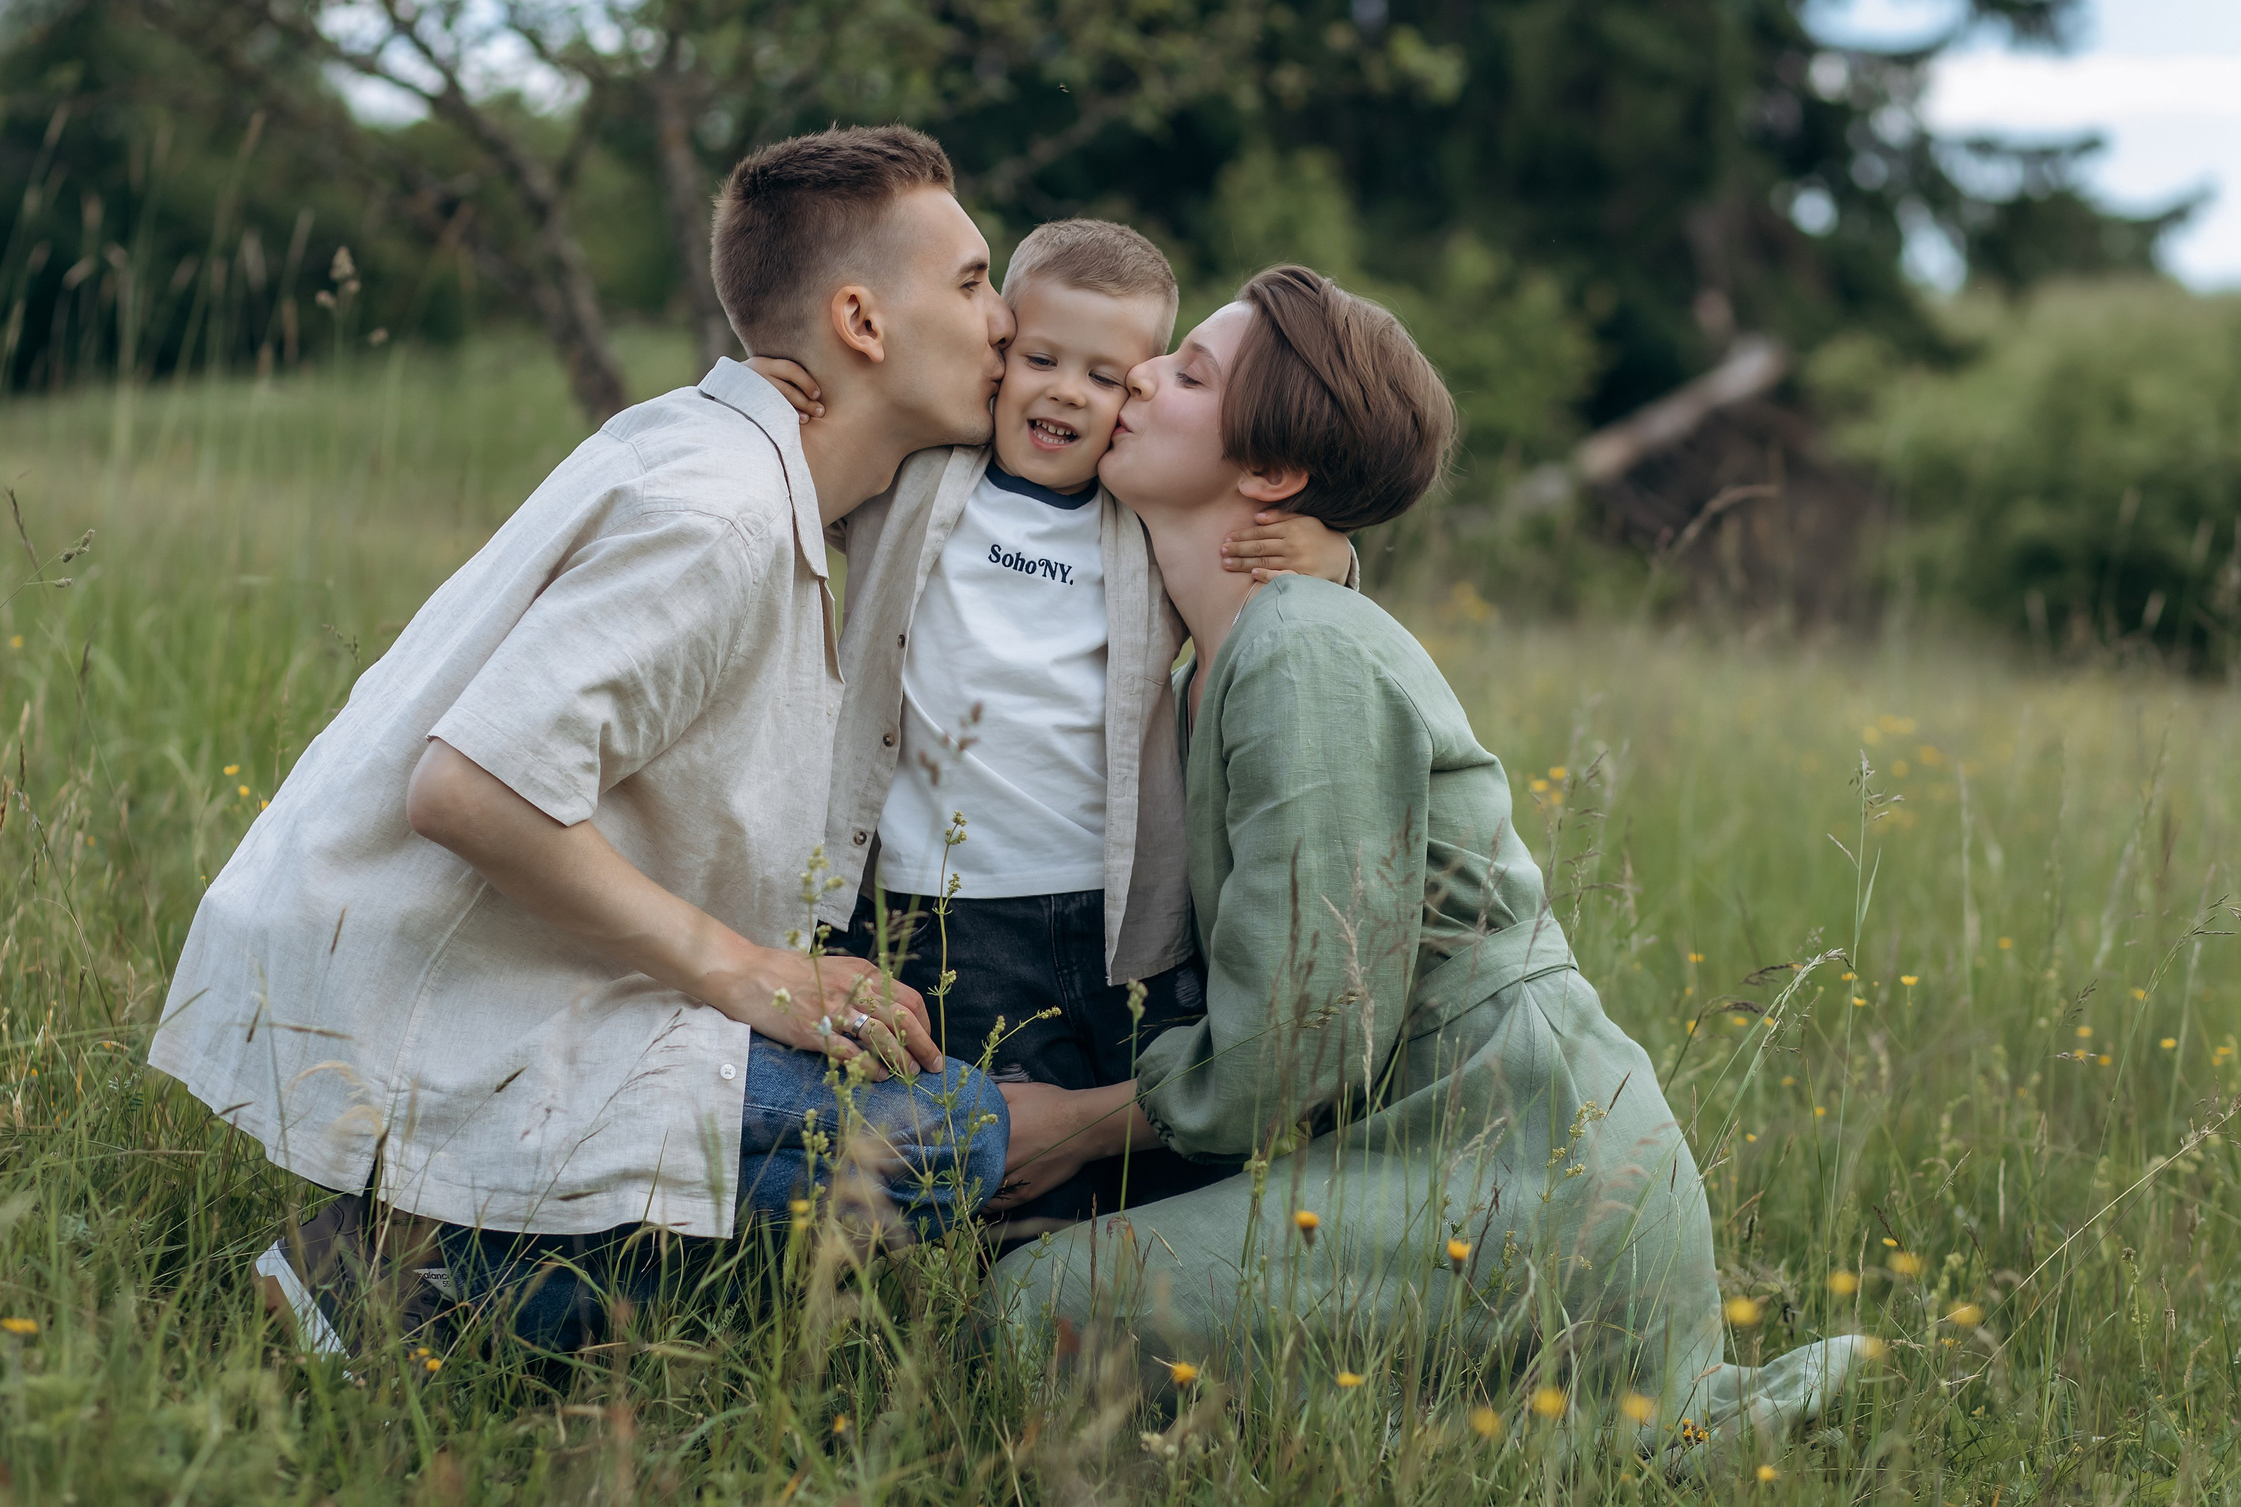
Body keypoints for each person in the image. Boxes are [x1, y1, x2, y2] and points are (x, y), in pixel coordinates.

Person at [148, 125, 1014, 1359]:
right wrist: (736, 968)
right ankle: (383, 1284)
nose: (1004, 320)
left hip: (523, 977)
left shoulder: (738, 461)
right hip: (461, 995)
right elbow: (467, 790)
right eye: (974, 282)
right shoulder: (720, 516)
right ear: (863, 324)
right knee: (943, 1136)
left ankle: (420, 1241)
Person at [987, 266, 1857, 1456]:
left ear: (1273, 475)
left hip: (1529, 1178)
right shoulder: (1248, 648)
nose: (1137, 374)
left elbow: (1302, 1037)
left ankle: (1564, 1433)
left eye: (1187, 372)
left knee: (1042, 1308)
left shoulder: (1301, 652)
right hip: (1444, 1153)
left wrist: (1077, 1128)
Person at [754, 220, 1353, 1228]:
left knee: (1136, 1160)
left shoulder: (1141, 514)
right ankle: (957, 1311)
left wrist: (1328, 554)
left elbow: (1250, 576)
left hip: (1108, 913)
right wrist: (771, 401)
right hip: (929, 899)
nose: (1068, 392)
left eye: (1107, 376)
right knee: (961, 1147)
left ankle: (1132, 1295)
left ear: (1140, 396)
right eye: (1040, 359)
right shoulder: (918, 476)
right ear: (998, 354)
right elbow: (794, 480)